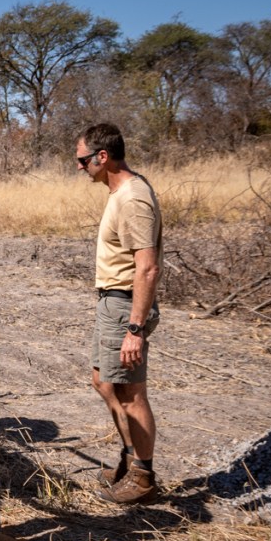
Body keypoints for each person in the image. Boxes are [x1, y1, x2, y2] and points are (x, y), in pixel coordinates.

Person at [76, 123, 163, 505]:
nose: (80, 167)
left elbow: (147, 268)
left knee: (130, 393)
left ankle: (143, 476)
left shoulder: (132, 197)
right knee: (104, 383)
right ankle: (130, 459)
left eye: (83, 160)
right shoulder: (118, 192)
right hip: (112, 302)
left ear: (102, 157)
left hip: (127, 305)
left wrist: (135, 328)